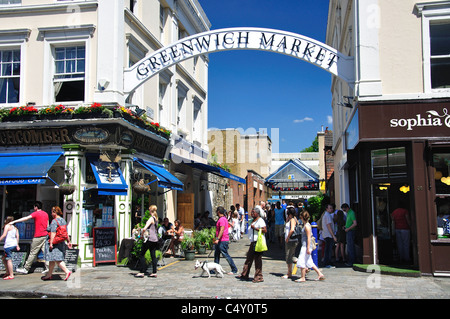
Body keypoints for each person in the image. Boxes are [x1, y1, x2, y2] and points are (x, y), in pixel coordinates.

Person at [11, 201, 49, 275]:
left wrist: (14, 221)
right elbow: (47, 225)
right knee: (46, 253)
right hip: (45, 235)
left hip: (38, 236)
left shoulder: (36, 213)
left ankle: (26, 268)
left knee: (33, 253)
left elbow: (26, 218)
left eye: (34, 207)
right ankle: (48, 268)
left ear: (36, 207)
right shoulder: (46, 214)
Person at [41, 207, 72, 281]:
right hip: (60, 242)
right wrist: (68, 241)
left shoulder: (54, 221)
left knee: (57, 259)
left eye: (52, 212)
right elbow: (65, 232)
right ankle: (49, 275)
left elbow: (53, 232)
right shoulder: (63, 220)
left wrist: (51, 243)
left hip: (55, 242)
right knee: (52, 259)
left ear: (55, 212)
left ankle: (67, 271)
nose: (51, 214)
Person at [237, 205, 267, 283]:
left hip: (258, 242)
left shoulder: (260, 220)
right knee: (249, 259)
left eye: (253, 212)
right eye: (251, 212)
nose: (252, 213)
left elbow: (265, 230)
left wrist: (256, 228)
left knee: (257, 260)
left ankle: (259, 276)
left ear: (257, 213)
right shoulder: (252, 221)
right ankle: (245, 274)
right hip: (252, 242)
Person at [295, 210, 325, 282]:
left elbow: (308, 237)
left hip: (306, 246)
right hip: (305, 245)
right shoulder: (306, 225)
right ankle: (319, 274)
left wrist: (308, 248)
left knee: (302, 260)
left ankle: (303, 277)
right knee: (309, 261)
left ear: (302, 217)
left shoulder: (307, 226)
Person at [135, 205, 159, 278]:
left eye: (149, 210)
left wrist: (141, 233)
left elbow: (145, 228)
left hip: (149, 239)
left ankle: (142, 271)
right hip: (155, 239)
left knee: (142, 254)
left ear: (150, 211)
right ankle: (154, 272)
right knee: (153, 255)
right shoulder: (156, 218)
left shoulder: (151, 219)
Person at [214, 206, 238, 275]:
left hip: (222, 240)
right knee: (216, 255)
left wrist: (217, 238)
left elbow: (222, 230)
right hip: (221, 240)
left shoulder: (221, 219)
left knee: (225, 255)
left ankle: (234, 269)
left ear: (218, 212)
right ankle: (215, 269)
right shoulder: (224, 218)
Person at [283, 207, 299, 279]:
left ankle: (289, 273)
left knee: (289, 256)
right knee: (292, 256)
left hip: (291, 240)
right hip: (292, 240)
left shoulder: (292, 220)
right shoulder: (294, 219)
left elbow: (292, 229)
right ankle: (302, 264)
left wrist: (288, 238)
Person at [322, 204, 336, 268]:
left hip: (326, 234)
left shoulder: (326, 215)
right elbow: (329, 226)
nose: (331, 209)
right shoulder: (327, 215)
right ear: (326, 209)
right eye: (330, 208)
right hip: (328, 235)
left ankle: (327, 262)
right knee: (328, 250)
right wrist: (333, 235)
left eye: (331, 208)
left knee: (327, 249)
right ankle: (327, 263)